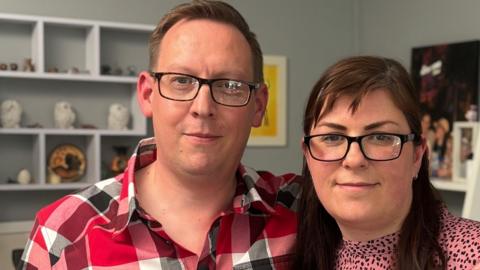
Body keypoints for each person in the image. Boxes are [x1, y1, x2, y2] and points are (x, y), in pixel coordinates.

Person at [19, 1, 301, 269]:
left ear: (259, 105)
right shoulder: (61, 234)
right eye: (181, 81)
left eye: (229, 85)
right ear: (147, 94)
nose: (203, 108)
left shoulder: (302, 211)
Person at [294, 56, 480, 269]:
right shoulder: (296, 253)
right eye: (332, 137)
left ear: (417, 155)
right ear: (308, 155)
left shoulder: (472, 254)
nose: (354, 160)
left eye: (381, 137)